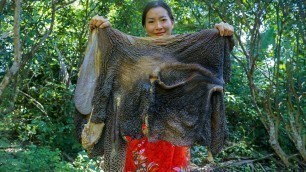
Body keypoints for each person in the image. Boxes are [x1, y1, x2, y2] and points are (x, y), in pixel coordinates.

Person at [89, 1, 234, 171]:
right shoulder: (132, 55)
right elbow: (105, 69)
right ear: (144, 26)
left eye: (163, 20)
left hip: (175, 138)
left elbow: (215, 63)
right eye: (151, 21)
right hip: (137, 136)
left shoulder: (190, 54)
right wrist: (101, 30)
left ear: (172, 22)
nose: (158, 26)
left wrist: (225, 35)